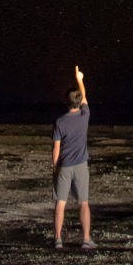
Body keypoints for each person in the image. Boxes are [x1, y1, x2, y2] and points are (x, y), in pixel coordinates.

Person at [52, 64, 95, 249]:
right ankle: (86, 240)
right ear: (78, 102)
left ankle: (58, 239)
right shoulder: (85, 115)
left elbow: (56, 148)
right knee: (84, 203)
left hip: (65, 165)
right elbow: (84, 97)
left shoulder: (60, 121)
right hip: (80, 165)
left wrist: (55, 167)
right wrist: (80, 80)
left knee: (60, 204)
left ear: (65, 102)